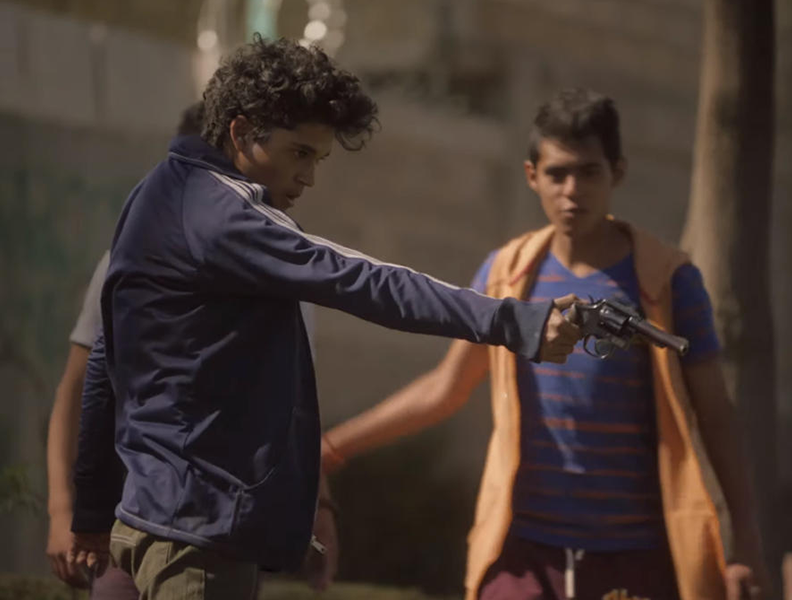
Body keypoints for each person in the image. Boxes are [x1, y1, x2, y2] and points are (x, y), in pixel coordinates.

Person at [67, 36, 580, 600]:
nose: (308, 177)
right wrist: (516, 322)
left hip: (136, 525)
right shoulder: (227, 218)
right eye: (299, 153)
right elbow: (364, 279)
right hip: (196, 543)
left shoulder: (153, 195)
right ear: (241, 132)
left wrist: (90, 511)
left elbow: (106, 364)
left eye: (318, 158)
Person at [321, 88, 768, 600]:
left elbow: (715, 414)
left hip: (636, 558)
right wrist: (330, 448)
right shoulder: (507, 273)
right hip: (522, 556)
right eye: (558, 174)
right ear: (532, 176)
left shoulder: (668, 279)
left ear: (617, 173)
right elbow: (445, 388)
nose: (572, 190)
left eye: (589, 172)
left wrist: (746, 544)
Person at [45, 102, 204, 598]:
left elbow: (294, 406)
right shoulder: (131, 259)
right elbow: (78, 388)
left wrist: (318, 505)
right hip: (127, 523)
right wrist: (63, 509)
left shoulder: (280, 268)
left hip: (217, 532)